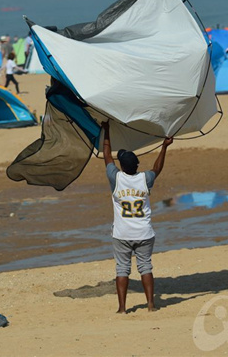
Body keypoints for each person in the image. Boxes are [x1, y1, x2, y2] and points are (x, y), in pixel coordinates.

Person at [101, 121, 173, 313]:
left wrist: (106, 131)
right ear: (137, 166)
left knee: (122, 269)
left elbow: (107, 156)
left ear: (122, 167)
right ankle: (150, 305)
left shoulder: (115, 178)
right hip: (144, 233)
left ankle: (122, 308)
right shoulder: (145, 179)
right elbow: (157, 168)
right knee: (145, 267)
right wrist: (164, 147)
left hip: (122, 234)